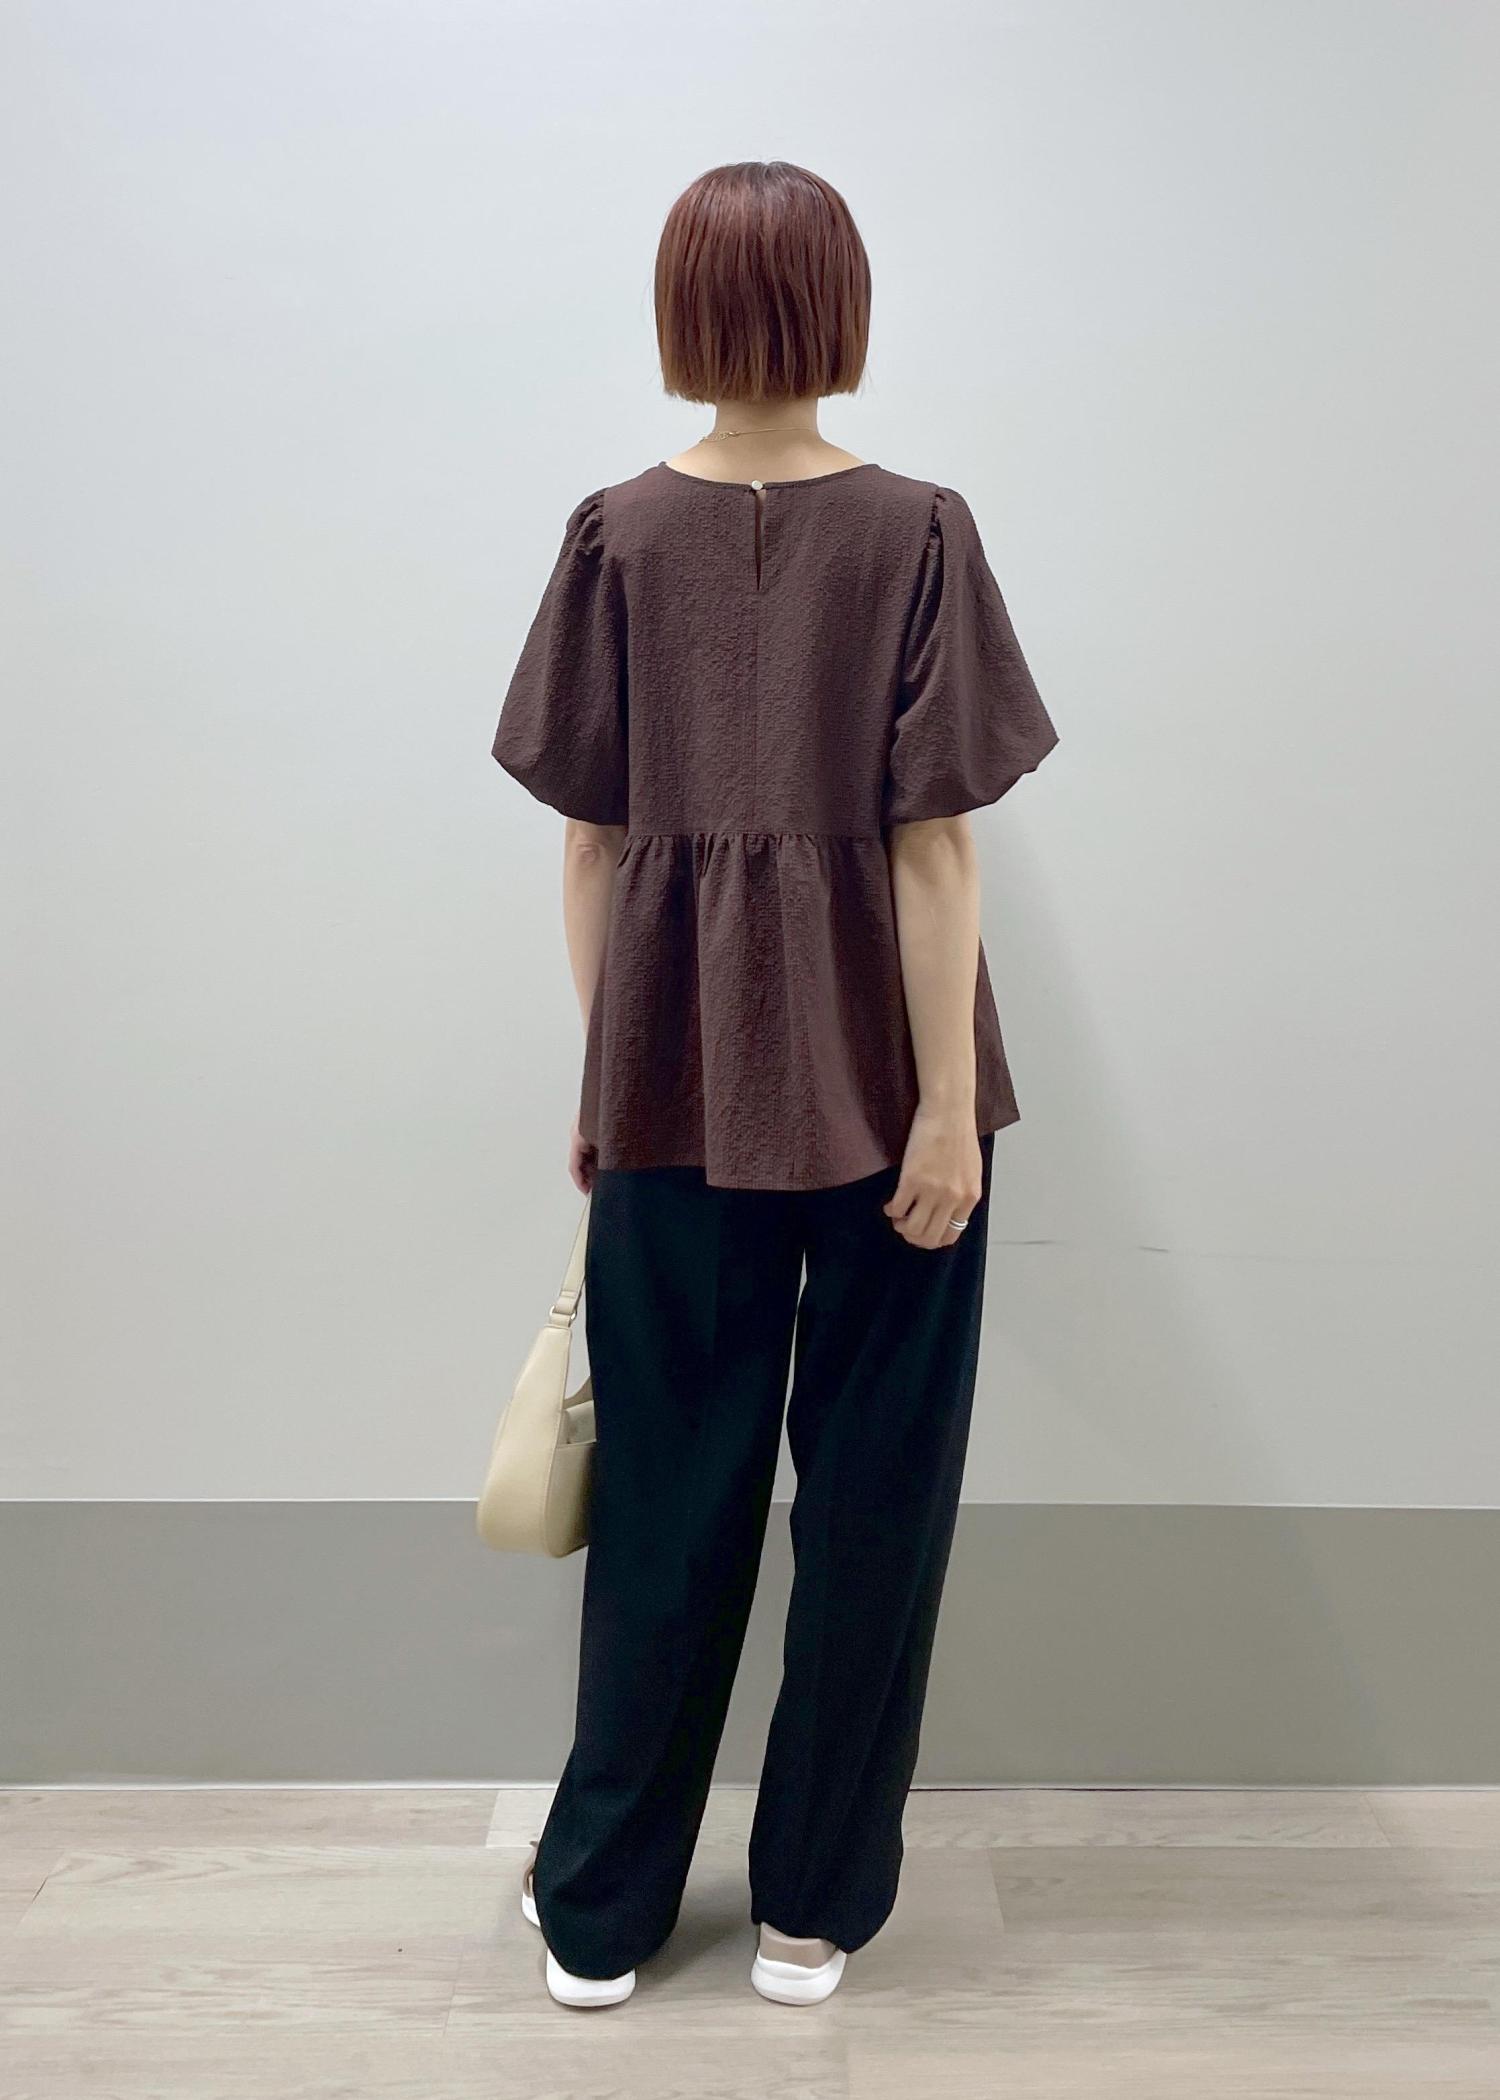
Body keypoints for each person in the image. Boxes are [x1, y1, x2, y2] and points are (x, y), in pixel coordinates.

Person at [492, 159, 1059, 2010]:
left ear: (679, 311)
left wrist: (617, 1077)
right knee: (879, 1500)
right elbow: (934, 849)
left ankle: (602, 1912)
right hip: (894, 1094)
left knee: (669, 1492)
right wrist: (944, 1114)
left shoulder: (613, 535)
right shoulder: (920, 531)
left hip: (672, 1090)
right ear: (842, 308)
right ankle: (812, 1906)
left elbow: (591, 845)